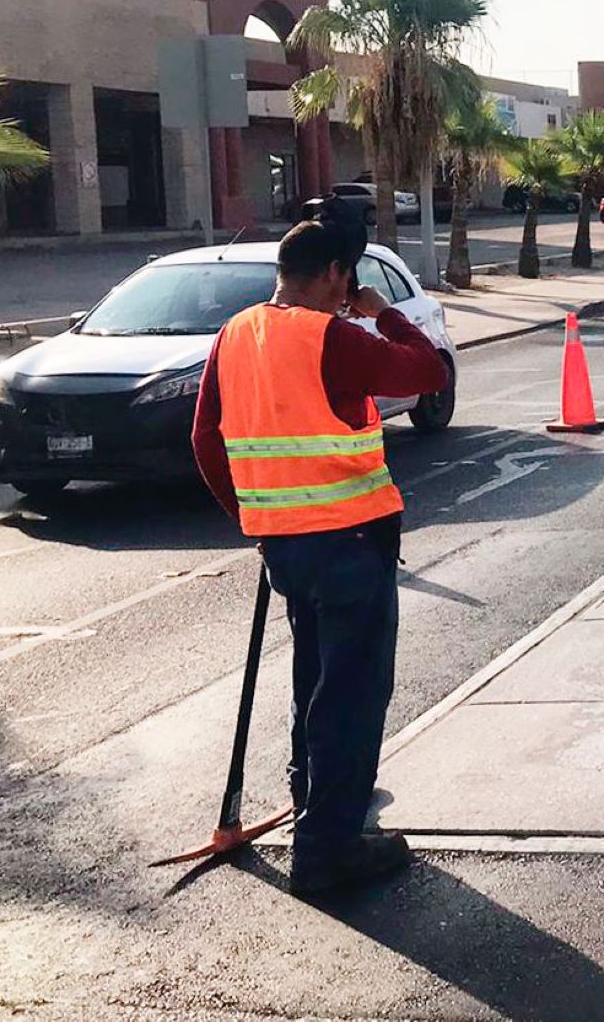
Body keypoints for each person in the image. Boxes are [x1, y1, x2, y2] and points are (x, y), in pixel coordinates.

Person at [191, 216, 445, 896]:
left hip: (287, 547)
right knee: (353, 694)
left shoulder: (236, 333)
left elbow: (206, 437)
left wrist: (253, 515)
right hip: (349, 541)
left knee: (314, 675)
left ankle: (314, 792)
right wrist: (383, 312)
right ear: (335, 274)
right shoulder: (333, 336)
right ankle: (327, 849)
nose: (349, 289)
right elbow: (429, 369)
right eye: (349, 277)